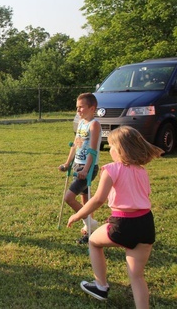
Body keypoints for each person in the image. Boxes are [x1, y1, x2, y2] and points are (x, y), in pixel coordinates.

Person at [67, 126, 163, 307]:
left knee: (94, 241)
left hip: (123, 223)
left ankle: (101, 286)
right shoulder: (142, 171)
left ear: (120, 150)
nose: (109, 150)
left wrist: (78, 215)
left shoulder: (111, 169)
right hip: (145, 224)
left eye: (111, 146)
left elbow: (97, 200)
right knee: (137, 276)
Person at [58, 92, 102, 244]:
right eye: (77, 108)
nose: (78, 111)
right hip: (78, 164)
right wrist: (67, 163)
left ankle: (90, 224)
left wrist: (86, 170)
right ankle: (90, 229)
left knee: (69, 198)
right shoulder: (81, 122)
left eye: (81, 107)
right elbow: (76, 144)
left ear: (92, 108)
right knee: (86, 200)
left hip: (88, 167)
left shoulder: (94, 124)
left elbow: (93, 149)